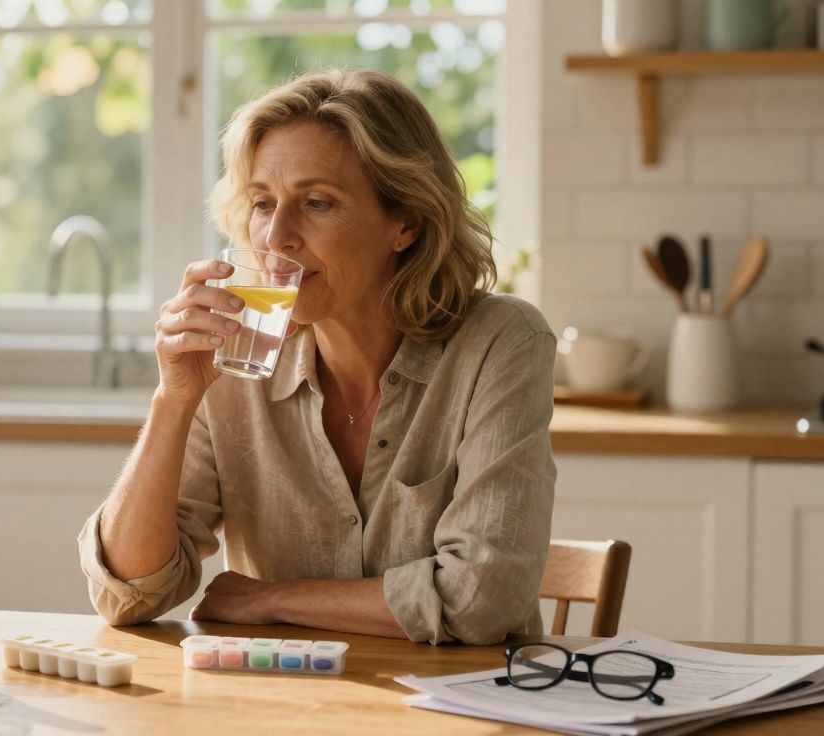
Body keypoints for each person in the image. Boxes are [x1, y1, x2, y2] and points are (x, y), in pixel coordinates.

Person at [78, 67, 555, 645]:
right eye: (261, 202)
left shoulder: (501, 342)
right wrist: (173, 400)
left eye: (318, 203)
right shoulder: (236, 356)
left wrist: (271, 599)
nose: (276, 236)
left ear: (404, 221)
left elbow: (483, 599)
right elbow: (127, 595)